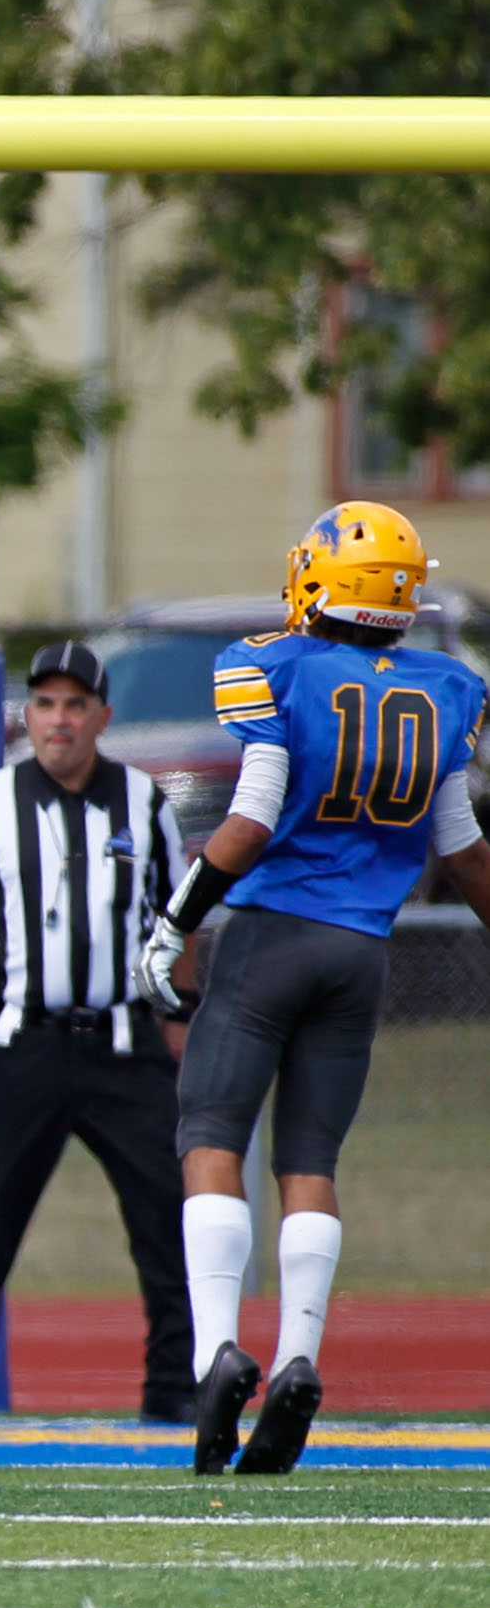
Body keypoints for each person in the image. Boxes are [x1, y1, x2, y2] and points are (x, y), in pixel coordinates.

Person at [137, 501, 490, 1476]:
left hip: (271, 933)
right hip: (361, 950)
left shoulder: (274, 664)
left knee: (209, 1134)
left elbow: (250, 815)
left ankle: (217, 1354)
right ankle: (296, 1356)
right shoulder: (448, 686)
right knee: (308, 1159)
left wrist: (174, 921)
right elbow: (461, 855)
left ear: (317, 578)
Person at [0, 641, 197, 1426]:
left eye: (74, 704)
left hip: (125, 1042)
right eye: (45, 704)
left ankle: (175, 1385)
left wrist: (181, 1011)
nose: (58, 719)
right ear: (26, 715)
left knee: (170, 1214)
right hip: (21, 1040)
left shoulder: (145, 802)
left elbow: (181, 912)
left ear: (102, 715)